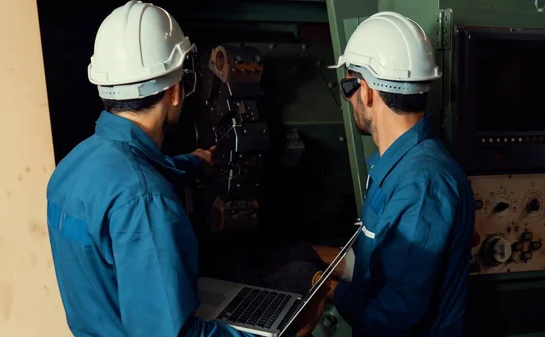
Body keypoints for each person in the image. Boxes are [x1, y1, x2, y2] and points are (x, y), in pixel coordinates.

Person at [46, 1, 325, 336]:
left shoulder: (72, 168)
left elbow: (135, 173)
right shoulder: (146, 201)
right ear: (176, 91)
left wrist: (194, 163)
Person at [324, 11, 475, 337]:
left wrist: (331, 292)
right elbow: (386, 262)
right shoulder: (398, 167)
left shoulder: (422, 184)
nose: (351, 100)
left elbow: (396, 311)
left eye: (348, 86)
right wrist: (326, 264)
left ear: (364, 90)